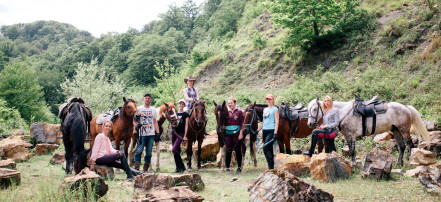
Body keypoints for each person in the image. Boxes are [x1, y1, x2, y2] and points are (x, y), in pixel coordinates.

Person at [134, 93, 160, 172]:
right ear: (143, 99)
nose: (147, 99)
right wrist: (136, 125)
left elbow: (155, 122)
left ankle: (145, 170)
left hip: (151, 134)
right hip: (141, 134)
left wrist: (157, 133)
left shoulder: (153, 110)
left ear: (151, 100)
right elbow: (134, 120)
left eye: (149, 98)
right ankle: (136, 170)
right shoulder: (138, 109)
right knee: (139, 151)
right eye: (146, 98)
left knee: (149, 152)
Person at [255, 94, 279, 169]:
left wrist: (275, 132)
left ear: (273, 100)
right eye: (267, 99)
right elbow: (263, 122)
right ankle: (271, 167)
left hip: (271, 130)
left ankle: (270, 167)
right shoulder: (265, 110)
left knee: (265, 148)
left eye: (270, 99)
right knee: (269, 149)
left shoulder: (275, 109)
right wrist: (258, 130)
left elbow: (277, 121)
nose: (268, 100)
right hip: (264, 130)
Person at [225, 96, 244, 174]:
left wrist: (241, 133)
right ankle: (228, 168)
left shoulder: (239, 112)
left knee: (237, 150)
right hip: (228, 134)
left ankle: (239, 167)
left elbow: (242, 124)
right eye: (229, 103)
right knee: (228, 149)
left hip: (237, 133)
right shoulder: (226, 112)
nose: (230, 105)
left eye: (231, 103)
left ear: (235, 103)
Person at [171, 99, 188, 173]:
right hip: (174, 132)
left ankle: (182, 166)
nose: (181, 105)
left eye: (182, 104)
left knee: (174, 149)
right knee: (176, 151)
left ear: (184, 105)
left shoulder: (186, 114)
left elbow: (186, 126)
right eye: (180, 104)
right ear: (178, 105)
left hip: (180, 133)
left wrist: (185, 136)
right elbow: (171, 123)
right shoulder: (175, 113)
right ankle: (177, 168)